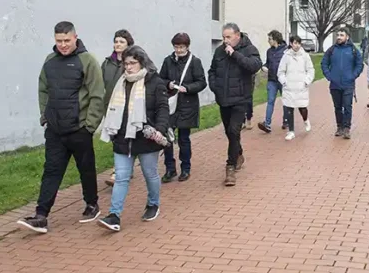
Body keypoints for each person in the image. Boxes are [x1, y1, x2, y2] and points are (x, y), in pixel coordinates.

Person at [17, 21, 104, 234]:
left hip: (79, 129)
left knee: (85, 168)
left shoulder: (88, 61)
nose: (63, 45)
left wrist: (89, 125)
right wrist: (45, 116)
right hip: (55, 130)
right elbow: (43, 90)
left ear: (75, 37)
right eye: (59, 41)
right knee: (51, 171)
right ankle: (41, 216)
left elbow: (97, 94)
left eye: (67, 40)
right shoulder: (50, 61)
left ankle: (92, 204)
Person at [97, 46, 170, 231]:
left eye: (132, 63)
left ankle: (153, 203)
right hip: (122, 138)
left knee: (150, 174)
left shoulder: (154, 82)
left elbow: (163, 108)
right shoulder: (121, 83)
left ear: (142, 63)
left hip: (146, 138)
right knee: (121, 177)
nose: (128, 67)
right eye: (126, 63)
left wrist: (159, 130)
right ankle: (114, 215)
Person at [209, 23, 263, 186]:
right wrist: (215, 87)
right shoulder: (219, 51)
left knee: (234, 130)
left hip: (241, 99)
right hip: (224, 99)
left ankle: (230, 167)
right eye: (223, 37)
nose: (225, 41)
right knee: (229, 132)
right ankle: (238, 153)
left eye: (228, 37)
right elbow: (212, 70)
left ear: (237, 36)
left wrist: (235, 55)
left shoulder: (249, 49)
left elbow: (254, 66)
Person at [160, 33, 207, 183]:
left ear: (187, 47)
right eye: (176, 47)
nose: (179, 50)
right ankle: (170, 168)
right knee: (167, 138)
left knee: (183, 139)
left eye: (181, 47)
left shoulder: (195, 62)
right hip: (171, 104)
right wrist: (168, 84)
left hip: (187, 105)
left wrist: (187, 88)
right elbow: (161, 79)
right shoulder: (168, 61)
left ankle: (185, 168)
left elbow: (201, 82)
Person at [102, 29, 134, 188]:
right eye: (116, 41)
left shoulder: (132, 62)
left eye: (121, 41)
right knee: (115, 138)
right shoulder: (107, 63)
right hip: (110, 107)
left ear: (128, 44)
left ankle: (118, 171)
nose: (117, 44)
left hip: (127, 107)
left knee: (124, 138)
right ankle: (125, 167)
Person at [321, 28, 363, 139]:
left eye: (342, 35)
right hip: (334, 85)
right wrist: (329, 76)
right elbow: (324, 63)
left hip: (348, 84)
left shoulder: (353, 50)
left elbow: (360, 64)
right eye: (338, 35)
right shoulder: (331, 50)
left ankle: (346, 128)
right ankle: (339, 126)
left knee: (347, 106)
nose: (339, 37)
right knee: (338, 107)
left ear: (347, 37)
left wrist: (353, 75)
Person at [278, 35, 315, 140]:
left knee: (302, 107)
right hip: (289, 87)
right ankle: (291, 131)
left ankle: (306, 120)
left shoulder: (305, 56)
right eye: (295, 43)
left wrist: (306, 81)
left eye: (299, 43)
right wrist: (284, 82)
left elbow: (310, 70)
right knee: (289, 108)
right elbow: (280, 71)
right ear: (291, 44)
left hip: (301, 87)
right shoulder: (286, 56)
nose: (297, 45)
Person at [257, 30, 288, 133]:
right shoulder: (269, 51)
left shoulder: (286, 50)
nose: (268, 41)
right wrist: (264, 67)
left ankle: (286, 121)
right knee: (270, 101)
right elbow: (268, 63)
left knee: (286, 101)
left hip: (283, 80)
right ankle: (267, 124)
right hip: (272, 80)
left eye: (270, 39)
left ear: (275, 39)